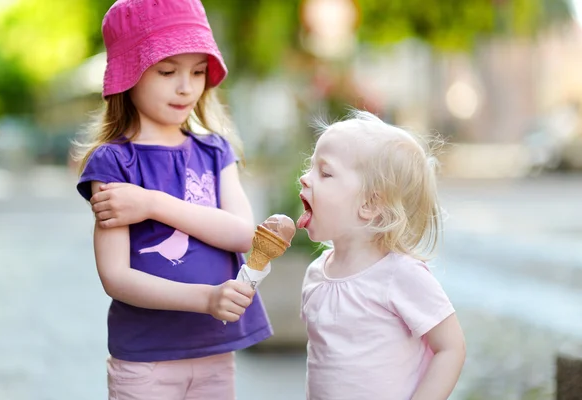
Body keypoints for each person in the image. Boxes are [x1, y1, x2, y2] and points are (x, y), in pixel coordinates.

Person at [73, 0, 272, 398]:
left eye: (198, 72)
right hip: (146, 360)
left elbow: (243, 235)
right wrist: (206, 298)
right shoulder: (113, 161)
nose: (187, 87)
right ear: (129, 74)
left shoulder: (215, 150)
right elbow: (116, 278)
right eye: (167, 71)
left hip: (215, 351)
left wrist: (152, 204)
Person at [297, 110, 466, 400]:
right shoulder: (316, 273)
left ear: (370, 203)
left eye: (324, 173)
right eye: (310, 167)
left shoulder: (399, 274)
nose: (305, 178)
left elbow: (451, 347)